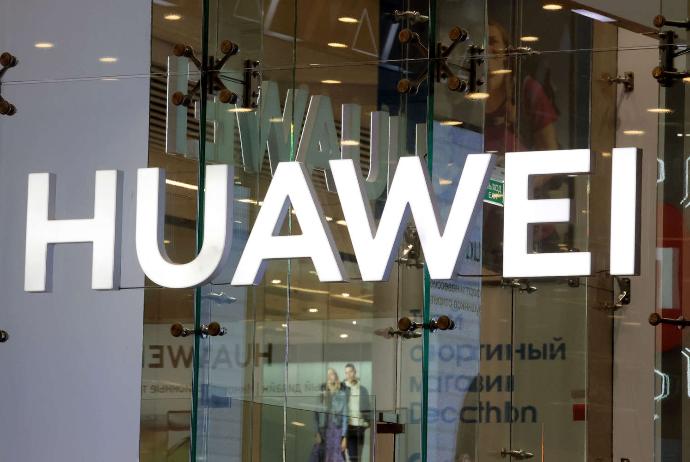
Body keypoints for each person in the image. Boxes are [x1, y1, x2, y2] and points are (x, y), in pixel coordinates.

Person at [312, 368, 348, 462]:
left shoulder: (342, 395)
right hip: (323, 431)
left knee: (336, 456)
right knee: (323, 456)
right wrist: (316, 433)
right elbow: (315, 416)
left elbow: (345, 417)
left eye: (331, 374)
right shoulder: (321, 395)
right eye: (327, 374)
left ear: (336, 376)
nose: (329, 376)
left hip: (337, 431)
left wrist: (344, 437)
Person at [342, 363, 371, 462]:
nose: (349, 375)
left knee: (356, 457)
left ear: (354, 372)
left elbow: (367, 407)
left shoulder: (362, 390)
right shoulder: (342, 389)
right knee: (341, 456)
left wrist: (366, 423)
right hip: (345, 426)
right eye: (346, 373)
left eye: (350, 372)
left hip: (358, 427)